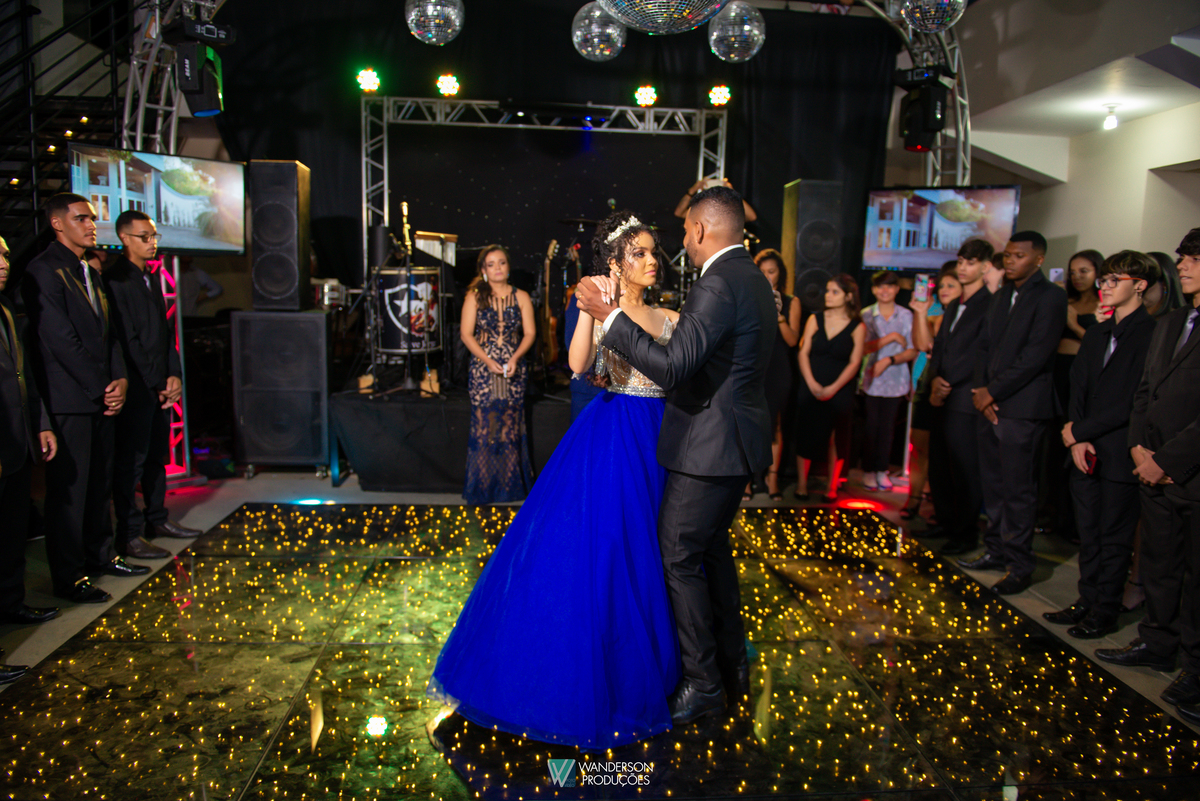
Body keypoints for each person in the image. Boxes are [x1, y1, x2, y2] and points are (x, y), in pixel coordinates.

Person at [428, 212, 682, 749]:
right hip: (614, 432)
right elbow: (578, 364)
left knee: (654, 547)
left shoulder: (670, 316)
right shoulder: (595, 300)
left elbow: (678, 372)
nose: (652, 261)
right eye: (638, 253)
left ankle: (657, 665)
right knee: (609, 547)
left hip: (658, 435)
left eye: (652, 252)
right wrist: (591, 310)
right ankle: (595, 672)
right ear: (616, 262)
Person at [577, 185, 776, 725]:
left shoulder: (717, 282)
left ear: (701, 230)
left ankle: (704, 685)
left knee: (679, 557)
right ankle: (732, 668)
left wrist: (611, 317)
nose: (680, 243)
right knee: (712, 555)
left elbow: (672, 367)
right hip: (735, 444)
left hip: (708, 446)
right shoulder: (753, 278)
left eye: (685, 231)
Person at [21, 194, 147, 604]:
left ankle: (102, 556)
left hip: (101, 396)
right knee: (70, 495)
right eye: (81, 218)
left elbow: (109, 335)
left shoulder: (88, 271)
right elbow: (58, 340)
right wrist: (102, 387)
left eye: (92, 218)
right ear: (58, 224)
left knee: (99, 487)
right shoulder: (43, 270)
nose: (91, 225)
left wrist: (120, 380)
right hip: (69, 400)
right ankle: (69, 576)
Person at [1096, 228, 1200, 726]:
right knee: (1158, 563)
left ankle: (1195, 668)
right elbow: (1145, 389)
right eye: (1182, 258)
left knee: (1196, 577)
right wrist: (1139, 446)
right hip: (1149, 462)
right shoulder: (1172, 319)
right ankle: (1157, 643)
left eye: (1194, 258)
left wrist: (1169, 460)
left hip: (1188, 471)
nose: (1183, 265)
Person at [1043, 251, 1157, 640]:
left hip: (1120, 449)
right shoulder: (1096, 332)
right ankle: (1086, 599)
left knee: (1114, 537)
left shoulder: (1152, 333)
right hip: (1085, 447)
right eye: (1103, 280)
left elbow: (1134, 399)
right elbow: (1079, 386)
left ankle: (1105, 609)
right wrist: (1077, 435)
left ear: (1139, 286)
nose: (1104, 287)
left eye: (1113, 281)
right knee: (1089, 533)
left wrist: (1081, 431)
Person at [959, 231, 1067, 593]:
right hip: (988, 402)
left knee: (1018, 489)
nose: (1010, 261)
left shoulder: (1051, 296)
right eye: (1007, 255)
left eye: (1019, 255)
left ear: (1038, 259)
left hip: (1022, 406)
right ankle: (996, 551)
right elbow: (984, 346)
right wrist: (981, 390)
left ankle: (1020, 565)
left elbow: (1036, 355)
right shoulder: (1002, 294)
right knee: (993, 484)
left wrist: (993, 391)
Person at [105, 210, 201, 561]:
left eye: (154, 236)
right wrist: (158, 381)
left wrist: (174, 375)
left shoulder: (152, 276)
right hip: (136, 386)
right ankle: (129, 535)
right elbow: (127, 340)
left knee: (157, 455)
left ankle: (157, 519)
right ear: (124, 239)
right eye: (144, 237)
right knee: (131, 462)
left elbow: (164, 332)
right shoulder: (115, 280)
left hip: (158, 382)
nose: (152, 243)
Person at [0, 235, 61, 642]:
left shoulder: (6, 307)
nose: (5, 262)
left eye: (6, 254)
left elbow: (24, 374)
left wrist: (39, 422)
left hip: (17, 439)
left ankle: (11, 604)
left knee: (11, 534)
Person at [922, 240, 994, 555]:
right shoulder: (953, 305)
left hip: (965, 396)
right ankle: (945, 521)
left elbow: (980, 352)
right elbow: (939, 347)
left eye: (971, 262)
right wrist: (935, 378)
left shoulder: (990, 304)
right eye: (961, 261)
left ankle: (965, 533)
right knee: (939, 463)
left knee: (964, 467)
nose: (964, 267)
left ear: (985, 267)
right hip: (942, 392)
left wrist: (948, 381)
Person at [460, 245, 536, 505]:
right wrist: (487, 360)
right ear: (484, 270)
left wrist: (515, 358)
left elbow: (530, 333)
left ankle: (509, 487)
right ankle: (483, 489)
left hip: (513, 369)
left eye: (501, 262)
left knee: (510, 426)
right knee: (485, 427)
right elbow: (466, 334)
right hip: (483, 370)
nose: (497, 268)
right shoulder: (474, 296)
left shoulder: (521, 296)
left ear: (508, 266)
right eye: (491, 264)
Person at [1047, 250, 1104, 542]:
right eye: (1072, 272)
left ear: (1098, 272)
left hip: (1083, 376)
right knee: (1052, 448)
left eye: (1084, 271)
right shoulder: (1063, 301)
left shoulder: (1104, 305)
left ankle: (1074, 521)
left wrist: (1074, 325)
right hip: (1056, 372)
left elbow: (1101, 346)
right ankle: (1051, 514)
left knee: (1076, 444)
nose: (1077, 277)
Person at [794, 275, 866, 502]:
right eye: (827, 291)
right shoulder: (815, 319)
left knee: (837, 437)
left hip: (839, 388)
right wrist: (812, 383)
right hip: (811, 383)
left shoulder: (857, 326)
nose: (828, 295)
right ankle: (802, 485)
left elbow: (855, 362)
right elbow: (803, 352)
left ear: (848, 296)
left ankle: (831, 486)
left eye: (834, 292)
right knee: (806, 433)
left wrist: (833, 388)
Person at [904, 262, 961, 520]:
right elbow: (923, 344)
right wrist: (919, 312)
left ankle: (944, 506)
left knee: (947, 449)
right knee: (919, 444)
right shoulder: (935, 313)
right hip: (928, 379)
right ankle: (914, 497)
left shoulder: (969, 315)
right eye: (942, 285)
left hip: (955, 383)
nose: (944, 289)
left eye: (951, 285)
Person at [747, 248, 800, 501]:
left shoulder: (791, 302)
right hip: (753, 366)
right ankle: (746, 480)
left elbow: (792, 340)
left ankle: (773, 479)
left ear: (781, 274)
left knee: (774, 425)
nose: (767, 276)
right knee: (748, 422)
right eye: (762, 271)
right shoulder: (750, 297)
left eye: (772, 271)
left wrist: (777, 315)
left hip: (778, 367)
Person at [859, 271, 917, 491]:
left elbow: (912, 350)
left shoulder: (906, 315)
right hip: (871, 380)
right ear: (874, 290)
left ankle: (882, 471)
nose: (885, 291)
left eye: (890, 286)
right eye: (880, 286)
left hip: (896, 380)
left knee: (887, 429)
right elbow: (862, 348)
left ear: (897, 289)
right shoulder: (866, 314)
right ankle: (868, 471)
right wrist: (890, 338)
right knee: (870, 427)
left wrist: (889, 360)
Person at [673, 176, 757, 223]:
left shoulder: (727, 213)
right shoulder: (702, 213)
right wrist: (693, 190)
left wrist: (732, 193)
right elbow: (679, 212)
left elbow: (752, 216)